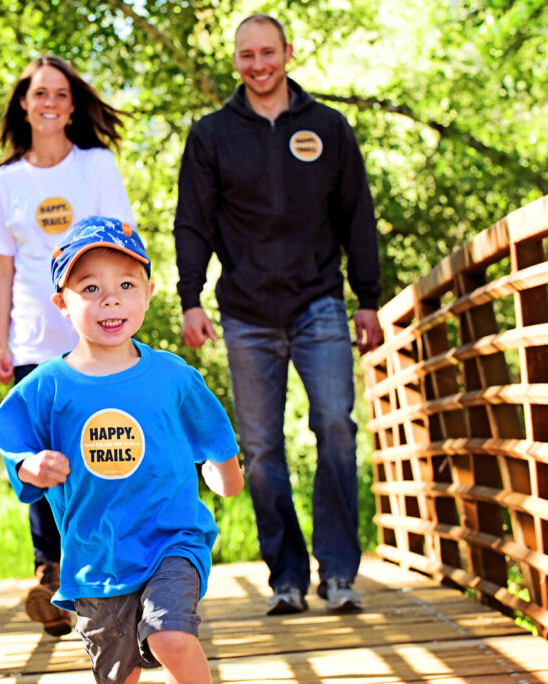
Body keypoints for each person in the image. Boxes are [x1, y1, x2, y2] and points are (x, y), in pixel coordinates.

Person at [173, 13, 384, 615]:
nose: (258, 64)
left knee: (337, 429)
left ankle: (339, 572)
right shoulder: (212, 135)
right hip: (245, 312)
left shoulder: (328, 127)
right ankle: (286, 576)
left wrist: (366, 297)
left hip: (320, 302)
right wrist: (191, 296)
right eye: (247, 55)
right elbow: (194, 221)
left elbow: (357, 217)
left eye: (268, 52)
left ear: (288, 52)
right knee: (261, 449)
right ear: (234, 60)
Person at [0, 216, 244, 684]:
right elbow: (10, 432)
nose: (110, 298)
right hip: (96, 558)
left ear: (147, 293)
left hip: (172, 539)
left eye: (126, 284)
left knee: (170, 636)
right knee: (119, 674)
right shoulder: (47, 387)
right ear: (61, 304)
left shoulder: (172, 376)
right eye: (89, 288)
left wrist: (227, 476)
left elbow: (213, 433)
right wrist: (29, 465)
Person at [0, 55, 136, 636]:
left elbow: (123, 244)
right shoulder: (6, 182)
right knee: (37, 458)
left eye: (59, 94)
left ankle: (109, 572)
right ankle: (50, 574)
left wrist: (123, 314)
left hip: (95, 338)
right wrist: (0, 341)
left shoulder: (96, 166)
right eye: (38, 93)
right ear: (24, 103)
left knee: (102, 451)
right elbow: (1, 269)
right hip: (31, 342)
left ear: (72, 105)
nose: (49, 102)